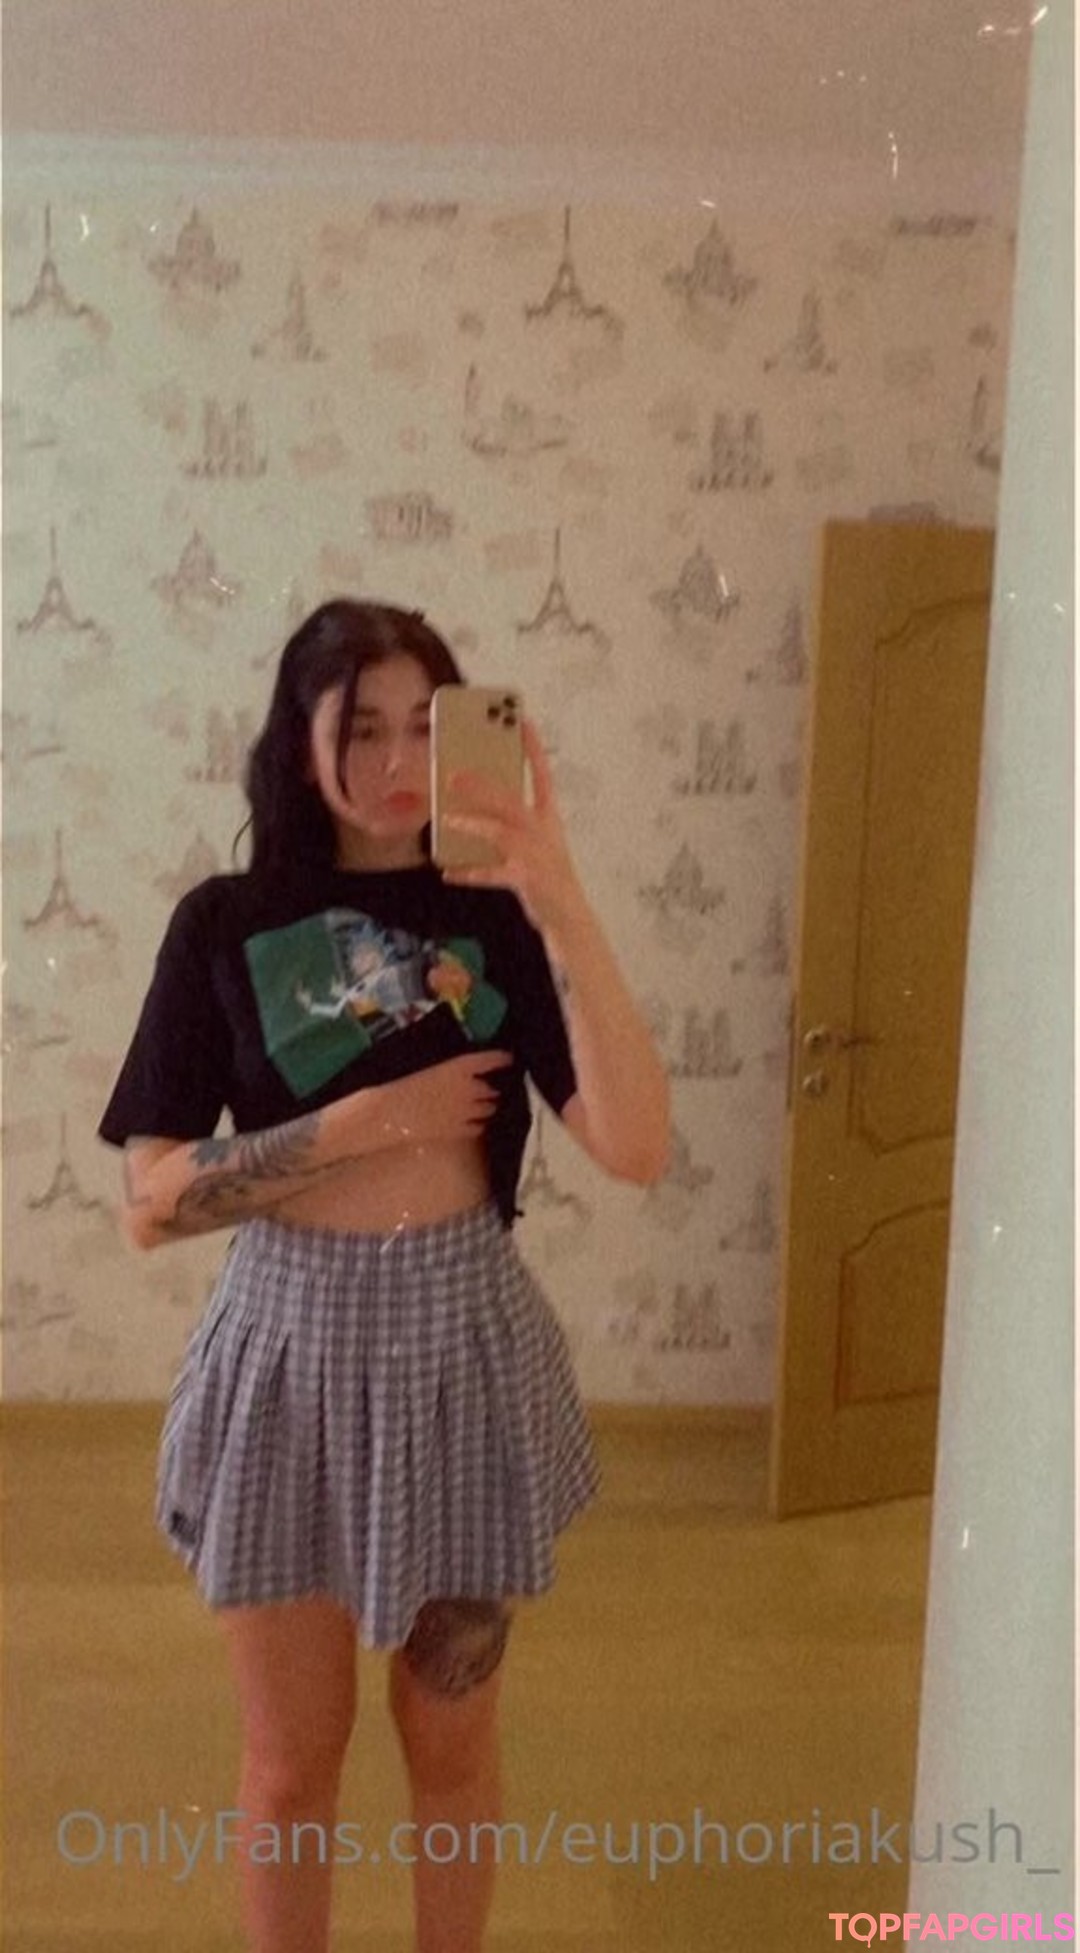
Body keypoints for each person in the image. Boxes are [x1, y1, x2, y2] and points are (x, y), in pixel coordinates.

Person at [98, 599, 671, 1953]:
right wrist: (362, 1125)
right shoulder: (225, 921)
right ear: (298, 737)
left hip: (462, 1357)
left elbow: (637, 1146)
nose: (400, 759)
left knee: (449, 1745)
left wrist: (560, 892)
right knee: (292, 1763)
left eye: (427, 722)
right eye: (362, 726)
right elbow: (151, 1205)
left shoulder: (499, 919)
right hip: (287, 1362)